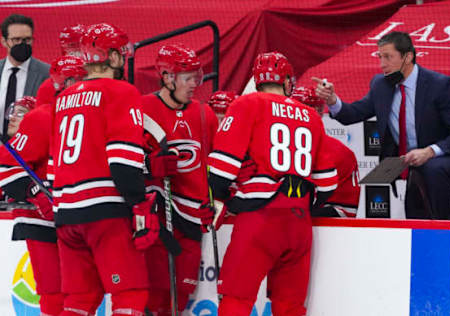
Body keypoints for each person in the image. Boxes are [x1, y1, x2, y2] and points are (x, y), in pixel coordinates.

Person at [208, 52, 338, 316]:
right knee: (290, 308)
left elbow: (220, 171)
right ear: (288, 81)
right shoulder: (311, 117)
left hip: (259, 220)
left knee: (236, 300)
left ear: (257, 80)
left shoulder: (247, 104)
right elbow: (327, 185)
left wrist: (230, 197)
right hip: (299, 224)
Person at [314, 31, 450, 220]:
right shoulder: (380, 85)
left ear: (408, 57)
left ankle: (444, 228)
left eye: (388, 57)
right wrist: (333, 100)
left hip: (448, 157)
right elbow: (354, 113)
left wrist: (429, 152)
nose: (382, 64)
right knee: (414, 206)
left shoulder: (439, 85)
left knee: (431, 169)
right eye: (380, 57)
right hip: (409, 163)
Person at [51, 23, 152, 316]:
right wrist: (138, 203)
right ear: (113, 57)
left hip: (66, 213)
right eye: (121, 53)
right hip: (105, 211)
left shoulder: (63, 99)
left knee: (79, 299)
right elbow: (122, 160)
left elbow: (54, 164)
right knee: (130, 292)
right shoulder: (122, 91)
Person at [0, 55, 87, 316]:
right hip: (40, 217)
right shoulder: (43, 116)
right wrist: (37, 195)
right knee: (53, 289)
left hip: (73, 213)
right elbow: (6, 166)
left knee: (78, 289)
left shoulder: (85, 114)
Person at [140, 43, 218, 316]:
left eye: (196, 76)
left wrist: (216, 200)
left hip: (193, 217)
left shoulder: (203, 113)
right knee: (155, 295)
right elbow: (121, 160)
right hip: (159, 216)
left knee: (181, 295)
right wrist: (149, 165)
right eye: (187, 77)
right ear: (167, 77)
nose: (195, 83)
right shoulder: (143, 109)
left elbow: (215, 162)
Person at [291, 86, 360, 217]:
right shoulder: (274, 147)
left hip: (321, 229)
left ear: (319, 111)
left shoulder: (342, 153)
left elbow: (346, 211)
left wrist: (301, 215)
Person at [0, 14, 49, 137]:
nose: (22, 44)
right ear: (4, 41)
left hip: (29, 146)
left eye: (27, 40)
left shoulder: (47, 74)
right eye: (16, 40)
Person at [36, 24, 86, 106]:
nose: (75, 53)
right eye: (71, 47)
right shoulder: (47, 87)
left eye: (78, 47)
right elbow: (41, 116)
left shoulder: (99, 80)